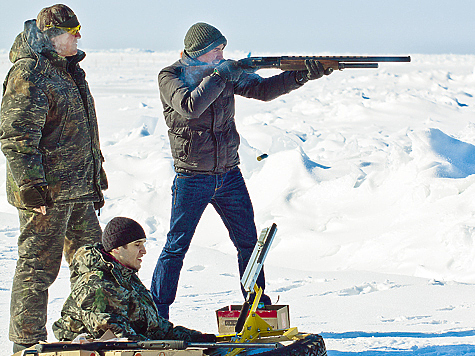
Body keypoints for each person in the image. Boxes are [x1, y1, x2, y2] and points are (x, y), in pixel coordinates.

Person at [151, 22, 331, 319]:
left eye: (223, 49)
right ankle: (157, 312)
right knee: (177, 246)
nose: (222, 55)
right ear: (197, 53)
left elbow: (262, 89)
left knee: (248, 243)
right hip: (192, 177)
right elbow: (190, 106)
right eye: (216, 50)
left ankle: (256, 305)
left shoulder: (221, 73)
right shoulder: (171, 76)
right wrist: (221, 75)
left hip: (229, 175)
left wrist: (301, 75)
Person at [0, 5, 107, 353]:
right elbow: (17, 137)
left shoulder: (70, 72)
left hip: (78, 191)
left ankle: (84, 332)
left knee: (92, 265)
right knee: (37, 270)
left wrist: (95, 179)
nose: (78, 35)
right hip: (45, 197)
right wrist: (32, 190)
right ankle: (27, 345)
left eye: (79, 28)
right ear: (50, 35)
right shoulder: (29, 73)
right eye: (71, 30)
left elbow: (82, 132)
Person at [53, 217, 214, 343]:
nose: (143, 251)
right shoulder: (96, 285)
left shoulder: (127, 278)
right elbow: (116, 337)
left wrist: (198, 339)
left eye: (143, 244)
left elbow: (157, 328)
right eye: (137, 245)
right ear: (116, 248)